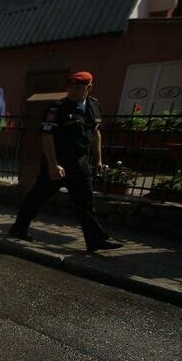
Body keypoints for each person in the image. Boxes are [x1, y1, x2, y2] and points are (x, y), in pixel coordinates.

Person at [9, 71, 122, 253]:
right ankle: (18, 228)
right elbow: (47, 137)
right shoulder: (58, 109)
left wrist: (98, 159)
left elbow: (95, 133)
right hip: (57, 164)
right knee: (38, 197)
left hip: (80, 164)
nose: (73, 91)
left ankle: (95, 240)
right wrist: (53, 164)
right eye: (71, 87)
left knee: (85, 202)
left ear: (89, 88)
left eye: (78, 88)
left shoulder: (94, 106)